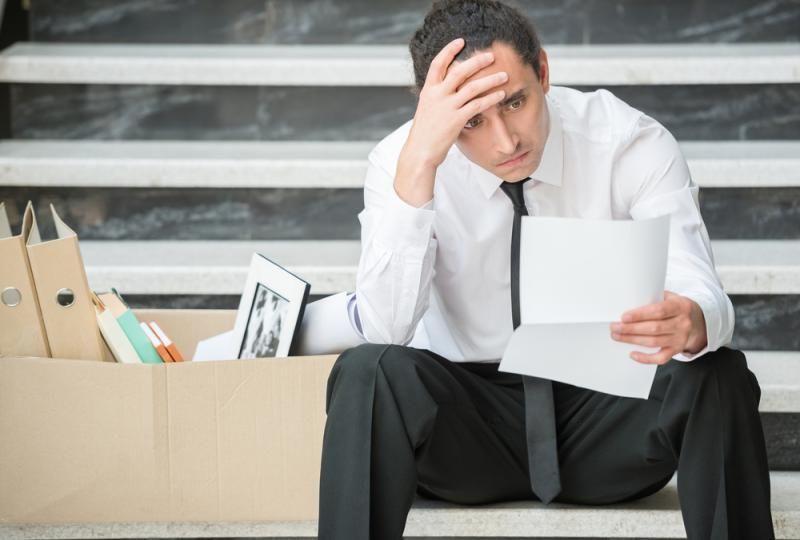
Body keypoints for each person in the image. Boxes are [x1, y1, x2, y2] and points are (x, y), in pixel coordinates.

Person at [318, 1, 774, 539]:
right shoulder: (400, 161)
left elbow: (699, 284)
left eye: (515, 102)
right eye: (472, 121)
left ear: (545, 73)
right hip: (469, 426)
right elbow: (383, 327)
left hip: (605, 415)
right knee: (368, 373)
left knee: (717, 375)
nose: (505, 141)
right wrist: (419, 164)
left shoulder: (628, 141)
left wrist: (693, 318)